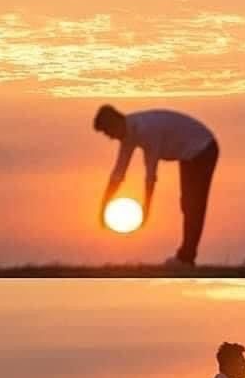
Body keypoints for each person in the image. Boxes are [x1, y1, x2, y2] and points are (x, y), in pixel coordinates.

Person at [93, 105, 219, 268]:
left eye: (107, 132)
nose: (110, 137)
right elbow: (118, 173)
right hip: (188, 154)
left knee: (193, 204)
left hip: (203, 148)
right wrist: (103, 206)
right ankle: (185, 256)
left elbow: (150, 175)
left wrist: (147, 207)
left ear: (116, 123)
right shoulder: (129, 133)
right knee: (187, 203)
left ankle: (186, 258)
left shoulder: (146, 130)